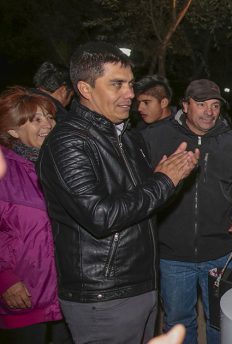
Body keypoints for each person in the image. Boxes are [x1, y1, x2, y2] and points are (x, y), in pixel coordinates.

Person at [37, 42, 199, 344]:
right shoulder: (69, 142)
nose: (130, 94)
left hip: (141, 283)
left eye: (130, 84)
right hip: (104, 293)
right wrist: (163, 181)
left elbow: (144, 206)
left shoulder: (128, 137)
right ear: (85, 88)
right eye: (117, 85)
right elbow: (101, 216)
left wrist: (172, 180)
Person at [140, 78, 232, 344]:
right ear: (185, 106)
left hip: (221, 254)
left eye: (215, 105)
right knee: (178, 324)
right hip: (172, 255)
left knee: (222, 323)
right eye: (201, 104)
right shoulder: (155, 137)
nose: (209, 111)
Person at [0, 87, 61, 343]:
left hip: (65, 299)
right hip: (23, 295)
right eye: (37, 119)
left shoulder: (60, 164)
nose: (48, 124)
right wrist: (5, 279)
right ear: (13, 130)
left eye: (49, 116)